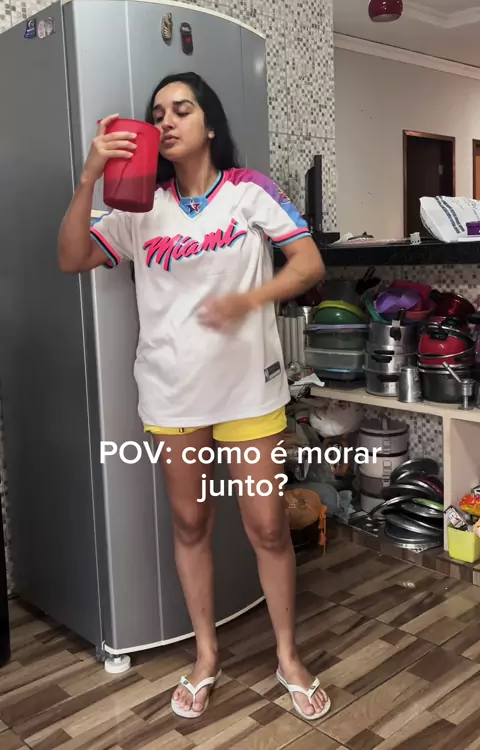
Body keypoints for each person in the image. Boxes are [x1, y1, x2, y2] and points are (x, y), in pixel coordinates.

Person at [58, 72, 329, 721]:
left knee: (268, 526)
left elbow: (310, 264)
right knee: (190, 523)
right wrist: (90, 175)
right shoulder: (136, 206)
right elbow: (70, 257)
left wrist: (250, 298)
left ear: (209, 125)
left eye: (182, 109)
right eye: (158, 113)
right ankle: (206, 656)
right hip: (172, 394)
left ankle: (287, 655)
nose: (167, 120)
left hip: (249, 390)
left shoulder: (249, 190)